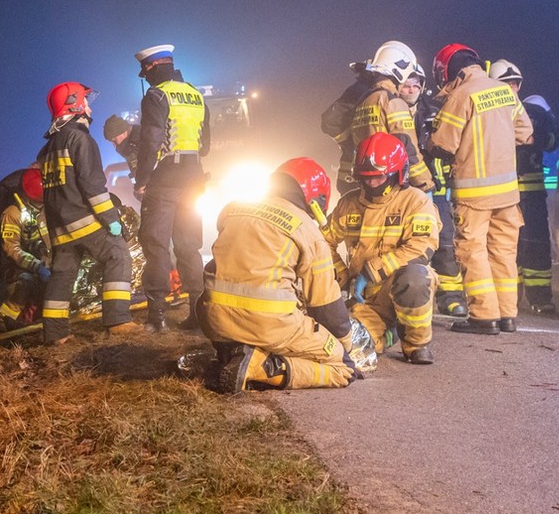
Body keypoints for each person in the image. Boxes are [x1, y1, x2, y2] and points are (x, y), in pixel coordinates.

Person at [197, 157, 357, 392]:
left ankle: (232, 354)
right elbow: (325, 305)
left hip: (214, 320)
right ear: (316, 199)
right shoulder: (308, 231)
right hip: (268, 323)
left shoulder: (233, 208)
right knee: (343, 369)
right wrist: (344, 346)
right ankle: (264, 368)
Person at [429, 43, 533, 334]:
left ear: (449, 71)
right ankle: (507, 315)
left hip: (474, 195)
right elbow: (525, 134)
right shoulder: (504, 90)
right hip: (508, 193)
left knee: (472, 252)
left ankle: (484, 317)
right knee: (503, 252)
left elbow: (442, 145)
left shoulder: (462, 95)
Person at [37, 82, 139, 344]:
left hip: (60, 229)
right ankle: (117, 320)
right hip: (84, 223)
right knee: (118, 254)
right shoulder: (80, 139)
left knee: (62, 275)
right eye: (85, 101)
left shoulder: (47, 149)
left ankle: (56, 335)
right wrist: (112, 221)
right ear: (75, 105)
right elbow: (93, 186)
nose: (89, 106)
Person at [324, 133, 440, 364]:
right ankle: (390, 333)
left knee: (416, 277)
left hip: (399, 285)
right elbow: (321, 243)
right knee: (351, 347)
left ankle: (416, 344)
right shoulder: (349, 203)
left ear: (398, 173)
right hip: (365, 299)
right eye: (366, 178)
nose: (372, 183)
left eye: (378, 177)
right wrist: (342, 275)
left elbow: (422, 246)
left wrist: (371, 271)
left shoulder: (415, 200)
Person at [132, 44, 211, 333]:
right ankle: (198, 314)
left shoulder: (156, 95)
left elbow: (151, 142)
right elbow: (206, 144)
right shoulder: (195, 94)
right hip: (194, 176)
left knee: (155, 244)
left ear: (151, 68)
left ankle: (157, 318)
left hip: (165, 178)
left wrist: (142, 180)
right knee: (189, 245)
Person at [489, 59, 559, 314]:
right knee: (509, 246)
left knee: (532, 244)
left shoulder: (529, 113)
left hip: (524, 192)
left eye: (515, 83)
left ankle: (538, 299)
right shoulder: (492, 113)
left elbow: (552, 141)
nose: (512, 89)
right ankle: (514, 299)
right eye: (507, 84)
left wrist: (536, 137)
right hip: (505, 193)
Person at [411, 65, 469, 316]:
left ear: (422, 86)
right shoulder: (391, 109)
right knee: (410, 244)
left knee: (446, 244)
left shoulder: (434, 110)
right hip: (406, 193)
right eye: (406, 85)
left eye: (415, 85)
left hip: (435, 188)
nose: (411, 89)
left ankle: (451, 298)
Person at [349, 40, 436, 192]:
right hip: (393, 183)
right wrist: (426, 184)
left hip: (369, 183)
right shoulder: (393, 102)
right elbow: (407, 147)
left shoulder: (363, 102)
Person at [0, 167, 52, 333]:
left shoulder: (43, 210)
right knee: (25, 282)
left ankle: (36, 315)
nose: (41, 206)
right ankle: (0, 321)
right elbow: (11, 249)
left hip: (42, 262)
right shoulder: (12, 213)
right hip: (16, 267)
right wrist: (36, 266)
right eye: (38, 202)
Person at [321, 60, 372, 195]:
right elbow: (329, 121)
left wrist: (349, 145)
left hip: (349, 179)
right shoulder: (365, 92)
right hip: (369, 180)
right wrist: (351, 145)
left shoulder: (360, 90)